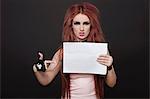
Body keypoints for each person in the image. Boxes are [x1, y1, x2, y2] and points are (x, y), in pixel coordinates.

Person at [33, 2, 117, 99]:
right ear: (71, 25)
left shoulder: (99, 50)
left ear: (91, 25)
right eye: (77, 23)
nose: (81, 28)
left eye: (86, 23)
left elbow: (111, 84)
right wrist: (37, 68)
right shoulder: (63, 52)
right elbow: (45, 80)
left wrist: (110, 67)